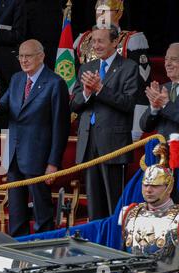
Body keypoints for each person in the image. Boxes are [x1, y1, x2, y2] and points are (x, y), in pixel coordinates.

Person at [0, 39, 70, 237]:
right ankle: (18, 245)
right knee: (16, 208)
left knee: (41, 209)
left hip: (38, 156)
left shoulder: (55, 83)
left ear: (41, 56)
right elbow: (6, 105)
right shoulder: (17, 79)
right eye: (21, 56)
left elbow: (61, 126)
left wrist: (53, 163)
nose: (23, 60)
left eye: (28, 56)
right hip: (14, 154)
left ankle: (43, 245)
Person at [71, 25, 138, 221]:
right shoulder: (87, 67)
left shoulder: (128, 67)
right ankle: (97, 244)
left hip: (113, 144)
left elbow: (128, 103)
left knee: (113, 202)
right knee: (94, 203)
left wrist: (100, 88)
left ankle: (114, 243)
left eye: (101, 41)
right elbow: (74, 104)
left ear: (115, 42)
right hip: (89, 140)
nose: (96, 45)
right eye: (93, 41)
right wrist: (86, 92)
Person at [74, 0, 150, 141]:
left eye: (106, 11)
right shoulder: (83, 40)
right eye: (98, 10)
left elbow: (139, 90)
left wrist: (137, 128)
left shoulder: (132, 41)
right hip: (88, 126)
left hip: (116, 125)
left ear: (119, 13)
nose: (101, 15)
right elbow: (76, 88)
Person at [119, 147, 179, 273]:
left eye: (155, 186)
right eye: (146, 185)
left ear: (169, 187)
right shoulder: (130, 213)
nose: (148, 190)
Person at [140, 43, 179, 140]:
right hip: (161, 152)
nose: (167, 64)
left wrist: (166, 104)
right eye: (166, 59)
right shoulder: (162, 89)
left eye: (173, 59)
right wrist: (154, 108)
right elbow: (144, 126)